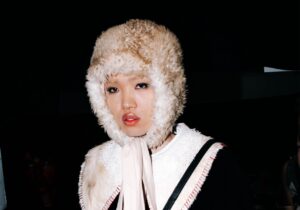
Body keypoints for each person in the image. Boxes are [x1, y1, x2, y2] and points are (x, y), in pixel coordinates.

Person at [78, 19, 252, 210]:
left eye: (141, 85)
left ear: (168, 88)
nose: (126, 103)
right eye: (112, 89)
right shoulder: (95, 165)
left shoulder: (212, 163)